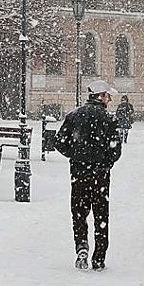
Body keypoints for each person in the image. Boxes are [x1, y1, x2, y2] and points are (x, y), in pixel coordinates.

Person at [54, 80, 122, 271]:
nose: (109, 99)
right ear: (100, 96)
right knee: (101, 215)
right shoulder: (109, 119)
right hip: (100, 175)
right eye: (108, 95)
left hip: (78, 173)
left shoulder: (74, 115)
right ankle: (99, 257)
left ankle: (81, 246)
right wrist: (105, 163)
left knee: (79, 213)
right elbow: (115, 150)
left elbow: (59, 142)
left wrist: (75, 156)